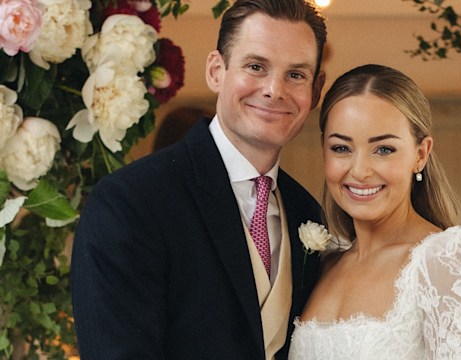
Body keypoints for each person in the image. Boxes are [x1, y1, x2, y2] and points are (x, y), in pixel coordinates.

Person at [70, 0, 327, 358]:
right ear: (216, 71)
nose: (274, 89)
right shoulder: (131, 201)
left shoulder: (307, 211)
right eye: (255, 66)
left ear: (316, 90)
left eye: (296, 75)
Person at [288, 64, 461, 359]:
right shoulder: (323, 264)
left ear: (421, 154)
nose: (360, 170)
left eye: (384, 149)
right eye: (341, 148)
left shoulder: (446, 260)